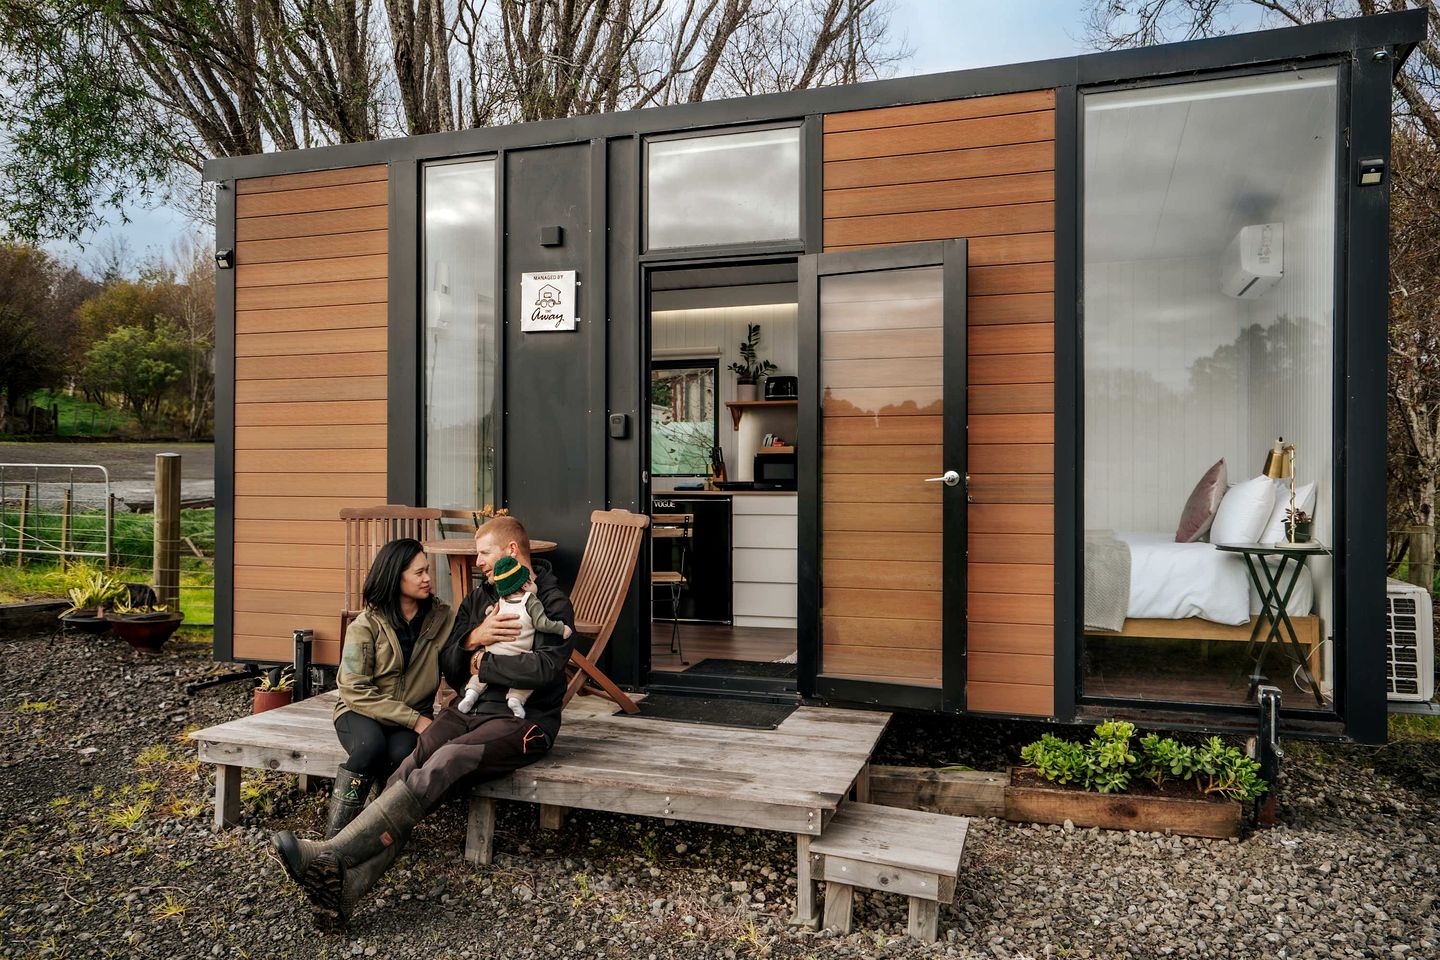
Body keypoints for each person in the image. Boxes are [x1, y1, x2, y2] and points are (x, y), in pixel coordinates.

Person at [274, 515, 575, 926]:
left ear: (510, 551)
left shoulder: (553, 603)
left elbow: (543, 671)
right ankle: (347, 886)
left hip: (525, 722)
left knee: (448, 758)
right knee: (412, 762)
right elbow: (452, 668)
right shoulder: (479, 602)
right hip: (468, 709)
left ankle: (330, 854)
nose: (478, 562)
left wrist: (482, 664)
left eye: (483, 553)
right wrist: (473, 640)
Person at [324, 538, 455, 839]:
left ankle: (373, 834)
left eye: (427, 571)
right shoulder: (366, 625)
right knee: (370, 747)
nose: (427, 579)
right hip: (360, 711)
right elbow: (353, 689)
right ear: (397, 577)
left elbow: (453, 669)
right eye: (419, 573)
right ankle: (335, 841)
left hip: (410, 714)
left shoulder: (441, 619)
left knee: (399, 754)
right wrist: (415, 720)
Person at [455, 554, 573, 718]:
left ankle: (471, 694)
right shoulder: (531, 600)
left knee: (478, 676)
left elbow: (490, 611)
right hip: (516, 653)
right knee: (524, 679)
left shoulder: (502, 601)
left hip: (493, 651)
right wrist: (562, 628)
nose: (478, 561)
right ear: (525, 585)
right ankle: (516, 700)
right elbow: (543, 623)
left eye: (485, 552)